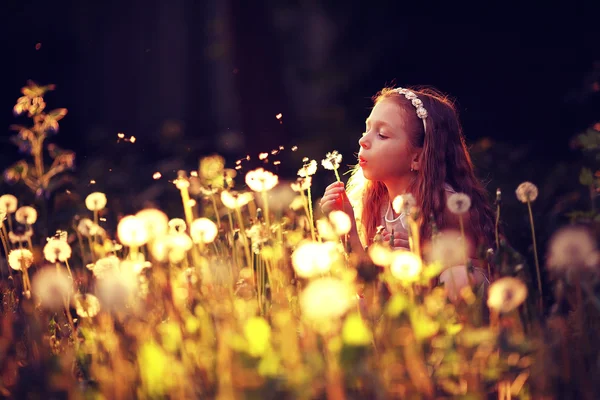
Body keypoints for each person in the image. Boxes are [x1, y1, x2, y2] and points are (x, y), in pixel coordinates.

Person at [320, 86, 496, 300]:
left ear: (417, 158)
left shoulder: (445, 204)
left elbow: (480, 267)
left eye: (382, 135)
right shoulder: (372, 202)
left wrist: (425, 260)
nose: (363, 141)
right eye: (366, 129)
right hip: (403, 306)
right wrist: (347, 228)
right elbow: (366, 285)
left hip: (449, 303)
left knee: (457, 277)